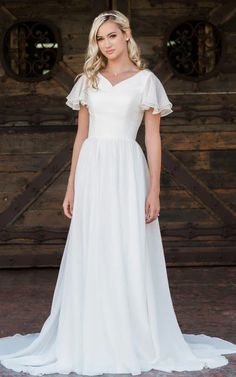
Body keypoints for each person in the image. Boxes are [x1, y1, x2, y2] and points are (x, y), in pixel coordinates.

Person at [0, 9, 236, 376]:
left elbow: (153, 138)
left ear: (126, 35)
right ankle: (91, 333)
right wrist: (71, 185)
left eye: (111, 35)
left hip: (128, 169)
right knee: (93, 246)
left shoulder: (146, 81)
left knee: (127, 248)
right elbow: (81, 136)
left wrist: (155, 189)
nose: (106, 44)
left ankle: (131, 333)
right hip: (94, 169)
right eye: (99, 38)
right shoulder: (87, 80)